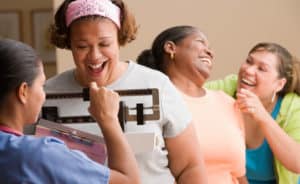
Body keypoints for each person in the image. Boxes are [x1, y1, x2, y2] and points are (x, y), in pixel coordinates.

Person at [47, 0, 207, 183]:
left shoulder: (156, 86)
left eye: (104, 44)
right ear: (69, 44)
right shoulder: (47, 96)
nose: (94, 56)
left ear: (119, 39)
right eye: (82, 46)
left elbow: (190, 167)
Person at [0, 39, 140, 184]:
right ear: (23, 91)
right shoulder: (41, 154)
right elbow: (129, 181)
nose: (44, 95)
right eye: (41, 85)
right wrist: (109, 119)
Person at [137, 25, 246, 184]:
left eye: (210, 48)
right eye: (201, 42)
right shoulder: (150, 101)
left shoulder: (227, 103)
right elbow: (138, 159)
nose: (210, 52)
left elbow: (239, 175)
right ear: (171, 48)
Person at [205, 42, 300, 184]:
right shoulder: (229, 88)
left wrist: (263, 116)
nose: (248, 70)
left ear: (279, 84)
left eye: (262, 69)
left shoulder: (293, 107)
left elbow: (297, 163)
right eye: (249, 62)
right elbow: (185, 93)